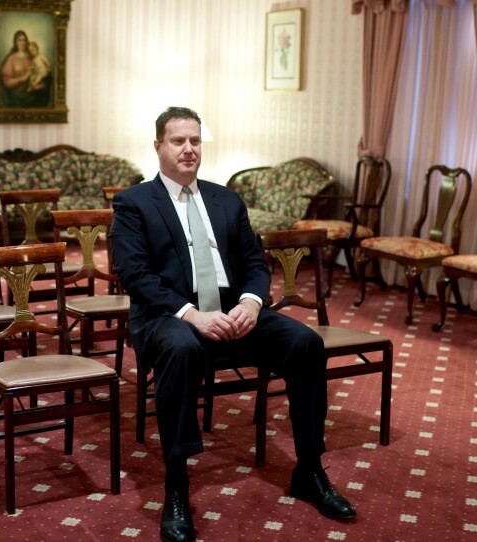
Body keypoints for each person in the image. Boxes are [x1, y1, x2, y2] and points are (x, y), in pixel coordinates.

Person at [109, 107, 356, 542]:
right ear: (158, 147)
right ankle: (177, 486)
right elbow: (135, 275)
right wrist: (192, 314)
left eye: (195, 141)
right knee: (183, 349)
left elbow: (255, 264)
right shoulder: (134, 203)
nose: (189, 149)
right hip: (170, 316)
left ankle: (310, 469)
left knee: (305, 343)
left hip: (232, 312)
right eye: (178, 141)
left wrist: (251, 302)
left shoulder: (226, 198)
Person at [0, 30, 33, 107]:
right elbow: (6, 81)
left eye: (25, 40)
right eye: (20, 40)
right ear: (16, 42)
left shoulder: (31, 57)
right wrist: (22, 79)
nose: (23, 43)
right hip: (17, 96)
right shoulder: (11, 58)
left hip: (32, 93)